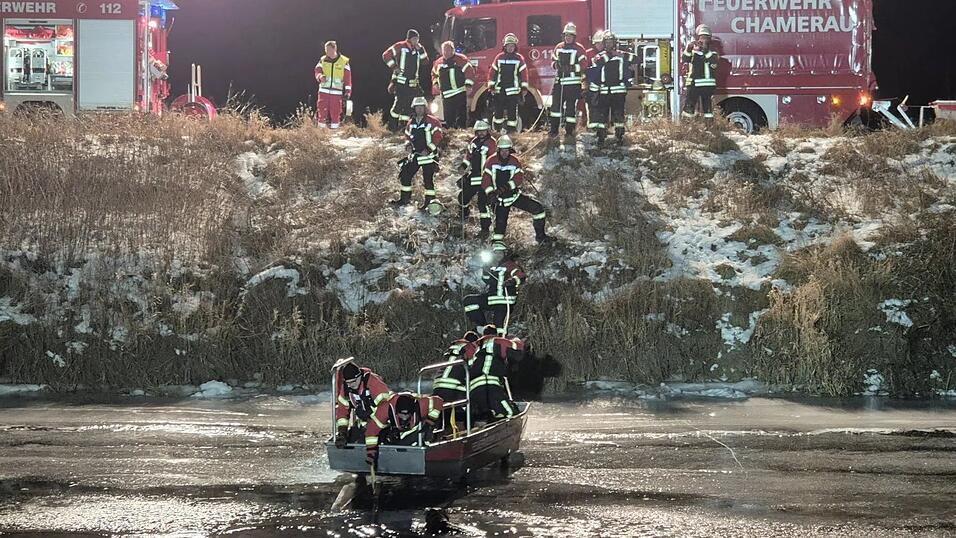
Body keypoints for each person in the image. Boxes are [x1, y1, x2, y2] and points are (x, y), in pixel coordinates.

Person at [481, 135, 550, 247]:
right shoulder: (491, 161)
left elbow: (518, 179)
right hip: (500, 201)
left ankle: (541, 237)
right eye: (502, 150)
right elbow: (486, 180)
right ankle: (497, 246)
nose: (504, 153)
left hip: (513, 196)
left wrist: (505, 188)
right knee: (500, 227)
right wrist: (490, 193)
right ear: (498, 150)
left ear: (510, 150)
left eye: (507, 150)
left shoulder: (515, 161)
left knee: (538, 209)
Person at [392, 96, 444, 210]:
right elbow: (407, 136)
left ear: (425, 108)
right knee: (405, 175)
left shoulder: (433, 121)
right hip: (415, 155)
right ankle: (404, 199)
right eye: (417, 107)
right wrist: (408, 145)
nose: (419, 109)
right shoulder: (411, 122)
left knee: (428, 181)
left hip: (429, 157)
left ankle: (429, 203)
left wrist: (429, 149)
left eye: (421, 107)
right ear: (414, 108)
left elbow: (438, 137)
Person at [365, 392, 444, 465]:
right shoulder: (384, 410)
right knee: (387, 438)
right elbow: (372, 431)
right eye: (402, 414)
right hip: (394, 427)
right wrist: (371, 452)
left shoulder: (422, 405)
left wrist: (429, 423)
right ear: (396, 411)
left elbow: (438, 401)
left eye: (407, 414)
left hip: (417, 425)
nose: (405, 418)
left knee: (418, 437)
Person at [469, 325, 524, 421]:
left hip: (474, 390)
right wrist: (515, 338)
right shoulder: (499, 341)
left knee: (484, 415)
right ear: (495, 334)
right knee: (510, 413)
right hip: (491, 386)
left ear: (483, 334)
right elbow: (519, 346)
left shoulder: (475, 345)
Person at [463, 252, 526, 335]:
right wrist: (485, 270)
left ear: (504, 253)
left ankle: (500, 343)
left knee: (499, 327)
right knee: (469, 301)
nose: (497, 254)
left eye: (500, 252)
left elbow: (520, 275)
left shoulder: (510, 264)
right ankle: (483, 326)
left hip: (504, 301)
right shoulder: (494, 266)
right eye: (495, 252)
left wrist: (512, 281)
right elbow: (487, 280)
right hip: (492, 298)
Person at [334, 362, 392, 448]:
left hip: (383, 425)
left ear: (359, 376)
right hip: (363, 424)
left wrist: (371, 422)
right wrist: (342, 433)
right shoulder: (347, 388)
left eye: (353, 381)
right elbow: (342, 412)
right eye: (348, 383)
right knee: (349, 443)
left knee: (363, 443)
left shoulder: (375, 384)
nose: (351, 385)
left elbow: (386, 410)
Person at [593, 32, 636, 146]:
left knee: (619, 115)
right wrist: (611, 54)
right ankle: (601, 138)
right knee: (602, 116)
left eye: (610, 42)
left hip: (619, 90)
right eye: (606, 42)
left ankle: (619, 137)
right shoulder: (600, 55)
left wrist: (623, 55)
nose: (609, 44)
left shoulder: (621, 54)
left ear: (615, 43)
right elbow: (598, 62)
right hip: (604, 91)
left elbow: (637, 59)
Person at [383, 29, 429, 131]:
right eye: (415, 38)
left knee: (408, 107)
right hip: (400, 82)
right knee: (398, 105)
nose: (417, 41)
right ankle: (392, 128)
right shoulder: (400, 46)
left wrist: (420, 50)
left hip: (413, 84)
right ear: (410, 38)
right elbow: (386, 55)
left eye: (418, 39)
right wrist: (394, 67)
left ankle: (403, 129)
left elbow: (425, 61)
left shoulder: (419, 48)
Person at [458, 120, 497, 239]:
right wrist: (463, 166)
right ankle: (463, 215)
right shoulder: (473, 143)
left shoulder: (492, 143)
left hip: (486, 178)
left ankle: (485, 228)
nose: (481, 133)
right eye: (479, 131)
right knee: (462, 197)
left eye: (483, 131)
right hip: (474, 176)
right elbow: (468, 157)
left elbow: (494, 160)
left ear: (487, 131)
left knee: (482, 203)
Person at [433, 331, 480, 427]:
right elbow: (472, 369)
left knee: (444, 409)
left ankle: (441, 431)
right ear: (474, 342)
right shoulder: (469, 347)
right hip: (452, 386)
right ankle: (469, 429)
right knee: (473, 400)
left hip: (438, 384)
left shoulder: (453, 348)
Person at [549, 23, 588, 138]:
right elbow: (553, 62)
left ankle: (569, 132)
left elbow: (584, 64)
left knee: (570, 109)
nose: (568, 37)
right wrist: (556, 65)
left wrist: (571, 68)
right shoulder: (559, 47)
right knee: (555, 108)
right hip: (559, 83)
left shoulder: (579, 49)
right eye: (566, 35)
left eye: (570, 35)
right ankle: (554, 130)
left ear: (574, 36)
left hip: (573, 84)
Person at [487, 33, 529, 134]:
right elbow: (492, 72)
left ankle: (512, 132)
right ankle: (497, 131)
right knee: (498, 112)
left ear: (515, 47)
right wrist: (491, 86)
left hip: (513, 91)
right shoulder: (499, 57)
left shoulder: (519, 58)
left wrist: (524, 88)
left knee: (512, 114)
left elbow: (524, 74)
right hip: (499, 90)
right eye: (508, 46)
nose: (510, 48)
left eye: (512, 46)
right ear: (505, 46)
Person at [432, 41, 474, 129]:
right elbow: (434, 74)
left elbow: (469, 72)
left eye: (449, 50)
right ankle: (450, 131)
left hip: (460, 92)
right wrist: (435, 83)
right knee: (448, 116)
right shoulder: (438, 63)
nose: (446, 52)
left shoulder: (461, 59)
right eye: (445, 50)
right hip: (446, 94)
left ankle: (461, 131)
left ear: (453, 50)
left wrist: (468, 85)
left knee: (461, 115)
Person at [682, 24, 719, 120]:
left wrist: (704, 49)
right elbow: (685, 59)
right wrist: (689, 48)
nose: (703, 40)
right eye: (701, 38)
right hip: (693, 84)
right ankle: (687, 128)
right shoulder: (694, 50)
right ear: (698, 38)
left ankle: (709, 128)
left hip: (707, 85)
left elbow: (714, 61)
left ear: (709, 39)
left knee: (707, 110)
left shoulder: (713, 50)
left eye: (706, 38)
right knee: (689, 108)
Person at [314, 40, 352, 129]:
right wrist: (320, 77)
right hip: (323, 91)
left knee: (335, 112)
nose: (327, 52)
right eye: (325, 50)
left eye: (328, 50)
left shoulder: (343, 61)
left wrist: (348, 91)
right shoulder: (323, 59)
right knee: (321, 111)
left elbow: (348, 77)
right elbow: (317, 70)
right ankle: (321, 132)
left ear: (334, 48)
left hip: (337, 92)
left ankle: (335, 133)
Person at [584, 30, 606, 131]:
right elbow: (583, 70)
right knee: (592, 108)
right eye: (598, 43)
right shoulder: (588, 54)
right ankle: (592, 129)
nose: (600, 45)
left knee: (603, 108)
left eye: (602, 43)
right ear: (594, 43)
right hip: (591, 87)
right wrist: (585, 85)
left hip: (605, 87)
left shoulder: (607, 54)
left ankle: (602, 129)